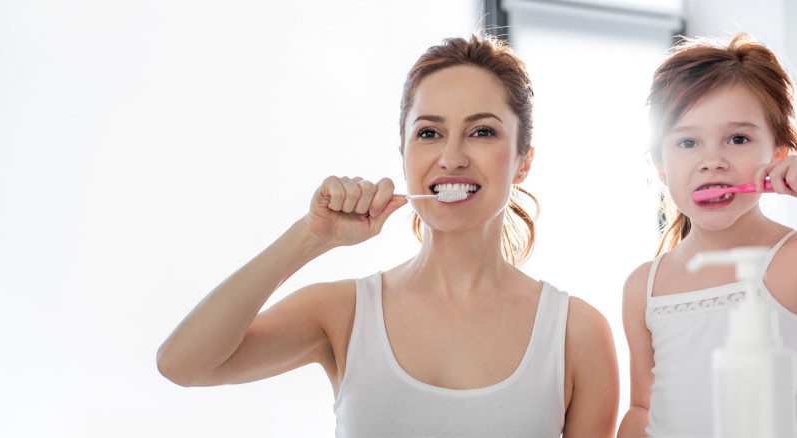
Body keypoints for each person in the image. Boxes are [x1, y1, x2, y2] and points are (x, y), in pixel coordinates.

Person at [157, 34, 619, 437]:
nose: (452, 157)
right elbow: (183, 364)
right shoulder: (343, 314)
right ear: (403, 153)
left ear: (524, 160)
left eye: (481, 131)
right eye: (429, 133)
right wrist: (310, 237)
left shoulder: (576, 332)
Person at [617, 33, 797, 438]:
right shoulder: (644, 285)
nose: (712, 161)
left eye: (738, 139)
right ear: (660, 164)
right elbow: (643, 407)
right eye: (688, 142)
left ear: (779, 155)